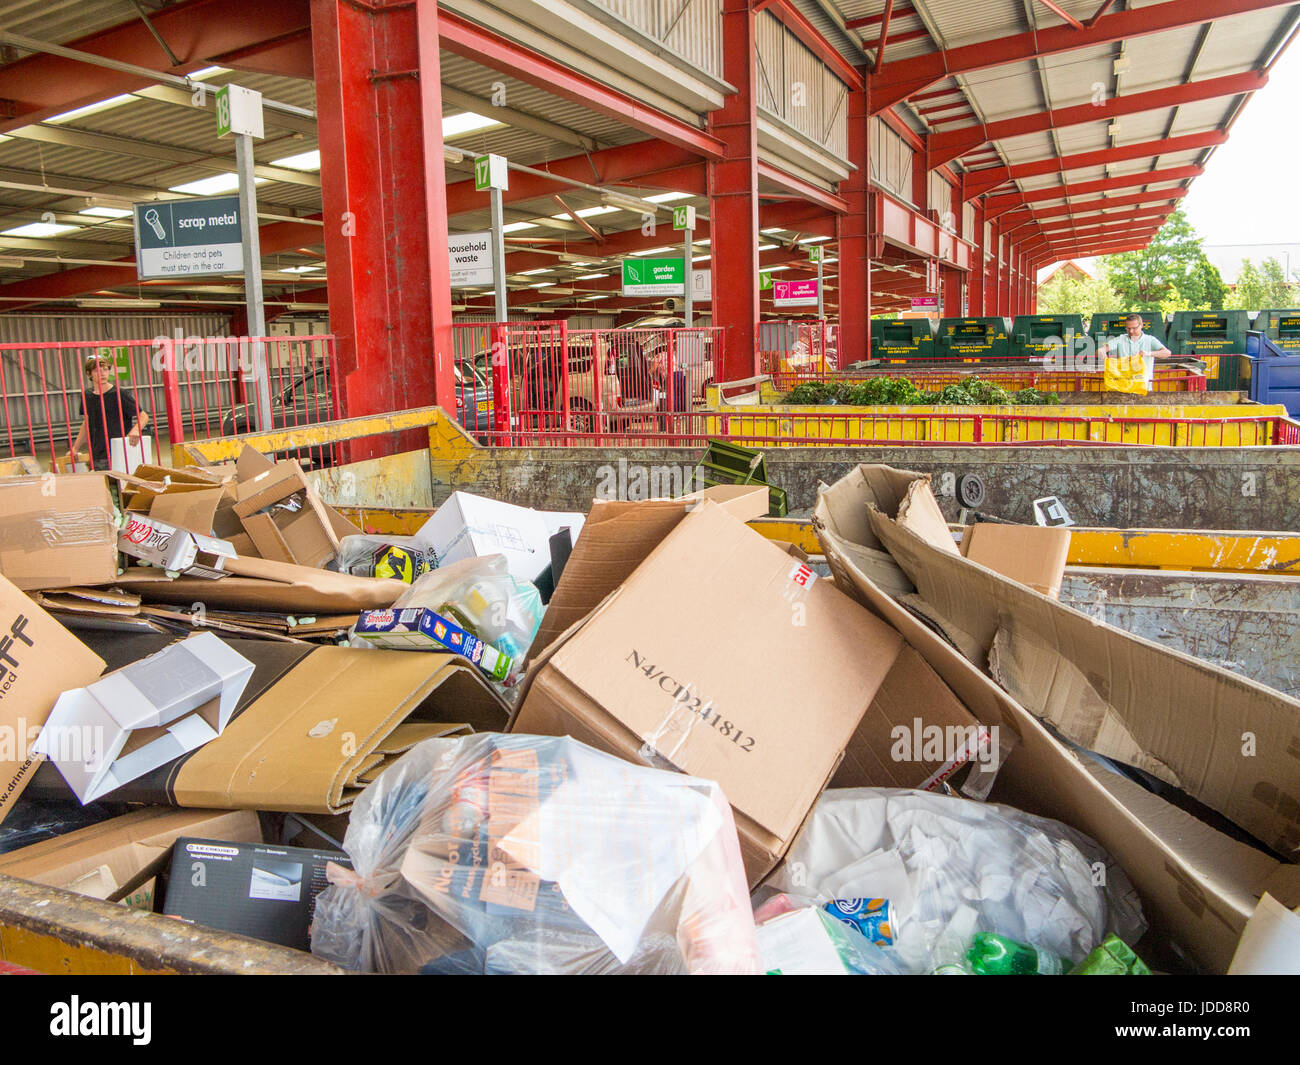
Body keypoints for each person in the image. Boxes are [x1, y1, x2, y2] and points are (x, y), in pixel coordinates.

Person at [69, 354, 149, 470]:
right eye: (97, 371)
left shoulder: (120, 394)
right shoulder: (87, 396)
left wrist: (136, 429)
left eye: (105, 370)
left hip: (119, 453)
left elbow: (143, 416)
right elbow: (87, 422)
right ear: (88, 373)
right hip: (97, 454)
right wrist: (75, 447)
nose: (102, 374)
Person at [1097, 313, 1170, 364]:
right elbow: (1100, 350)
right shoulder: (1120, 339)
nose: (1131, 331)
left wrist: (1148, 353)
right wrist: (1102, 352)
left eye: (1134, 328)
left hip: (1143, 384)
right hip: (1125, 382)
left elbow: (1167, 353)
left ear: (1141, 325)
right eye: (1128, 328)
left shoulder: (1150, 340)